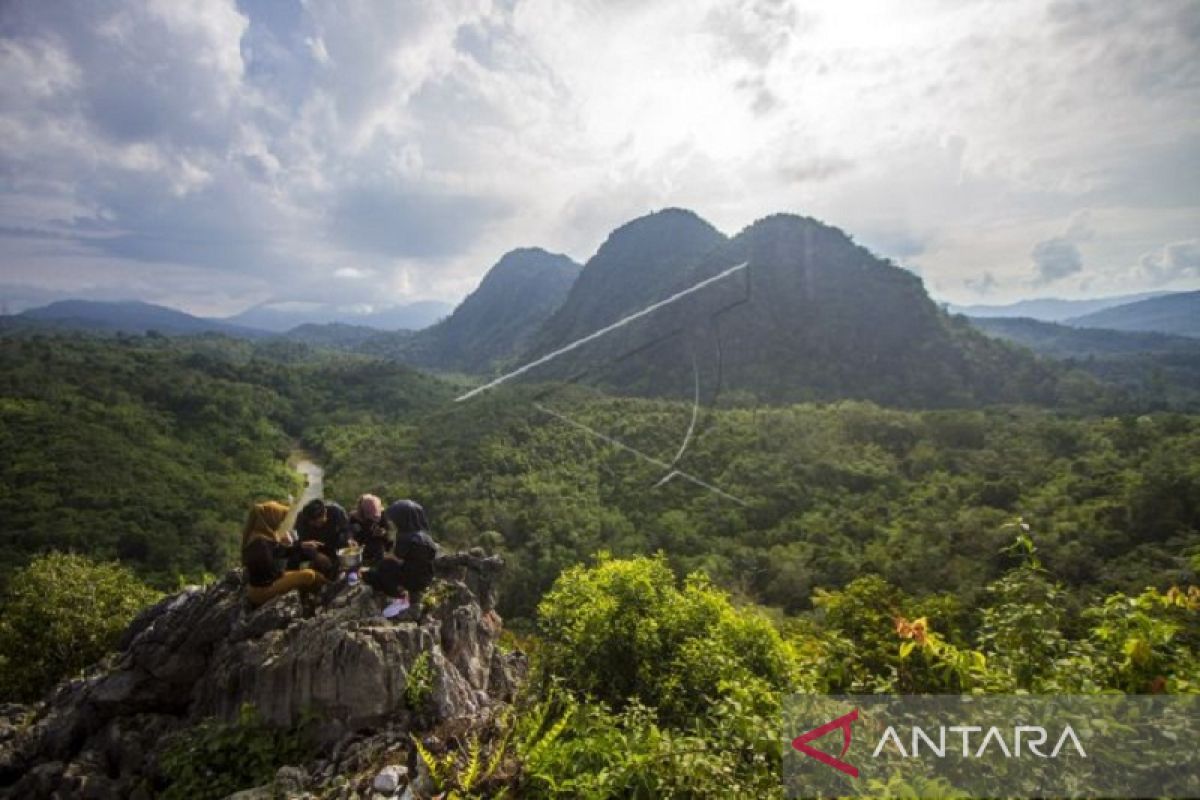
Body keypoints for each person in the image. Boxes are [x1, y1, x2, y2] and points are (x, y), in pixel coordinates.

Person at [240, 501, 327, 607]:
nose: (280, 523)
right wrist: (290, 576)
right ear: (271, 519)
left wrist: (301, 545)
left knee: (314, 576)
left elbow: (278, 552)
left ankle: (323, 593)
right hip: (262, 590)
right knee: (309, 575)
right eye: (279, 520)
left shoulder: (262, 536)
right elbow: (269, 574)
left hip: (265, 584)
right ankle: (315, 600)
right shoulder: (260, 544)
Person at [365, 500, 438, 620]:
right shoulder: (426, 536)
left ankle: (399, 595)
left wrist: (385, 557)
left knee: (384, 566)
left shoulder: (406, 537)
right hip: (426, 578)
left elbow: (397, 559)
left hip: (411, 581)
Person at [295, 498, 349, 579]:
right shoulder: (301, 519)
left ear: (325, 513)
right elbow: (301, 543)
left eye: (320, 522)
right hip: (315, 546)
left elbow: (346, 529)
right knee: (295, 555)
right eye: (313, 523)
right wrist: (315, 555)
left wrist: (350, 539)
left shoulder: (337, 511)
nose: (317, 525)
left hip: (334, 541)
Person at [349, 493, 391, 565]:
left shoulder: (381, 516)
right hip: (361, 548)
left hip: (378, 547)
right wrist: (370, 534)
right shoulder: (354, 519)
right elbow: (352, 537)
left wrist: (383, 533)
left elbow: (388, 533)